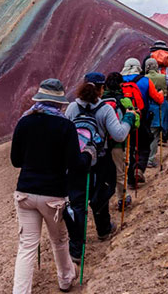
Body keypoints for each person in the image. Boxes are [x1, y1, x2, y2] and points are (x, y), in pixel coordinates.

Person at [11, 78, 91, 293]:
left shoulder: (24, 122)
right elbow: (75, 165)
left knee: (27, 246)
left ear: (39, 98)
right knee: (59, 239)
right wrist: (88, 155)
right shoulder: (65, 125)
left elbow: (16, 161)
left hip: (25, 193)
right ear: (59, 102)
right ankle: (65, 280)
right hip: (53, 195)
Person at [64, 72, 135, 259]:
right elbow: (119, 135)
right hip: (99, 160)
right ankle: (103, 229)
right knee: (101, 195)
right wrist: (128, 119)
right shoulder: (105, 109)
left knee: (78, 203)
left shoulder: (72, 107)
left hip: (76, 161)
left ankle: (77, 248)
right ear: (101, 88)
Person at [120, 58, 163, 185]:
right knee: (144, 145)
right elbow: (158, 99)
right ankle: (139, 169)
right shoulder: (145, 81)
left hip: (122, 119)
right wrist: (161, 93)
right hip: (141, 118)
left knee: (129, 148)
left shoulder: (119, 81)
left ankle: (130, 177)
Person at [101, 72, 134, 210]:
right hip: (117, 142)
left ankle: (102, 201)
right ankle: (122, 198)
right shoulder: (124, 101)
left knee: (103, 173)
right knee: (120, 170)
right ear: (121, 84)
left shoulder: (99, 100)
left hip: (100, 143)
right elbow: (135, 121)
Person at [144, 58, 168, 168]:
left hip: (148, 107)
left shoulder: (144, 79)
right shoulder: (163, 77)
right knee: (156, 134)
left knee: (149, 132)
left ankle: (146, 158)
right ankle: (150, 159)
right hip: (161, 106)